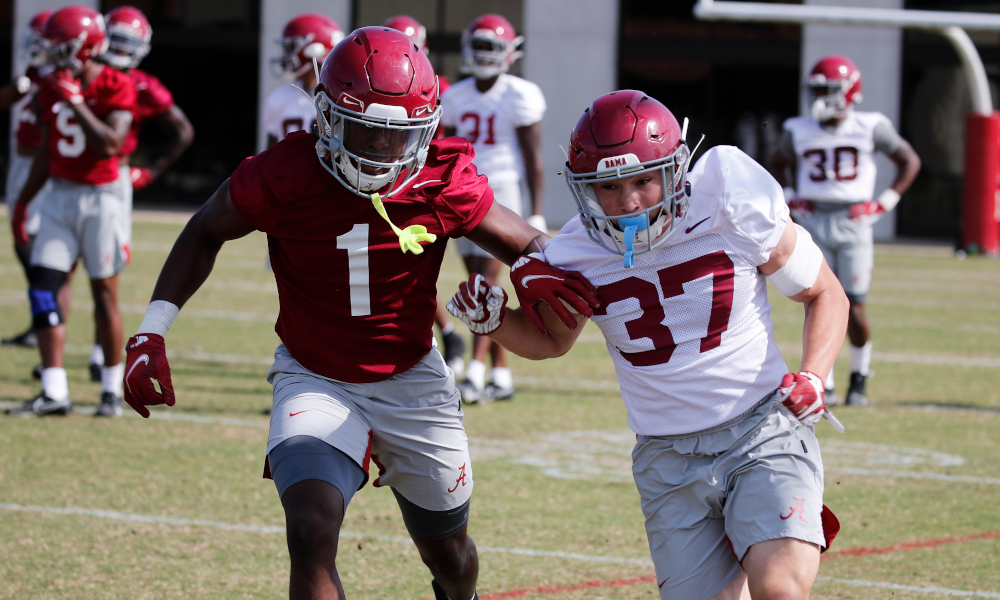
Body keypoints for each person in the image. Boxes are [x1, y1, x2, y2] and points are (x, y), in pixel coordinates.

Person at [121, 27, 597, 600]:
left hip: (413, 382)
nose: (377, 151)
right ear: (324, 116)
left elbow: (529, 246)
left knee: (451, 556)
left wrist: (547, 283)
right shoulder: (284, 173)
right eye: (363, 130)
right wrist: (152, 330)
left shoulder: (439, 179)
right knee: (310, 528)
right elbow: (205, 229)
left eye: (395, 136)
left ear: (424, 130)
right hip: (313, 375)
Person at [447, 90, 848, 600]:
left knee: (780, 588)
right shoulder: (574, 252)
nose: (630, 201)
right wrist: (495, 321)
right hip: (667, 458)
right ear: (583, 188)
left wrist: (815, 373)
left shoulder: (727, 199)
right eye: (609, 187)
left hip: (761, 428)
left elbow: (825, 292)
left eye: (642, 181)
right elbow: (552, 343)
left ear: (675, 169)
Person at [7, 5, 137, 417]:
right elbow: (46, 151)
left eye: (59, 47)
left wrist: (78, 102)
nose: (51, 55)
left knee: (104, 294)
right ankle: (54, 389)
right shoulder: (50, 87)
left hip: (101, 197)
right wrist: (24, 201)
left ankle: (111, 390)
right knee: (43, 288)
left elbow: (110, 144)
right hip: (59, 196)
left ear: (84, 49)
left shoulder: (117, 83)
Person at [773, 55, 920, 406]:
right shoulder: (798, 129)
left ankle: (859, 375)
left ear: (850, 91)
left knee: (854, 307)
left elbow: (909, 160)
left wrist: (883, 202)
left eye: (828, 90)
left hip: (854, 221)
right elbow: (778, 165)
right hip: (813, 220)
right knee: (817, 301)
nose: (821, 98)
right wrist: (792, 197)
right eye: (817, 90)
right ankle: (824, 380)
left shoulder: (870, 126)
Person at [69, 5, 194, 387]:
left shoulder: (139, 84)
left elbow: (182, 131)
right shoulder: (84, 76)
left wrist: (150, 172)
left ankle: (98, 352)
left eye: (128, 42)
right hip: (71, 179)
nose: (121, 48)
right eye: (117, 39)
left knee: (105, 272)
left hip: (110, 180)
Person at [441, 14, 547, 403]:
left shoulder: (519, 93)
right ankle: (500, 374)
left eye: (492, 47)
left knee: (486, 284)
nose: (484, 55)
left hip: (501, 191)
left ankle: (475, 370)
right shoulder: (454, 96)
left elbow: (532, 157)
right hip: (463, 191)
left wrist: (535, 211)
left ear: (509, 53)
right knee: (479, 283)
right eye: (479, 46)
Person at [383, 13, 467, 375]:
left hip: (424, 184)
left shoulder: (444, 89)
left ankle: (439, 339)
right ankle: (445, 334)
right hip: (379, 179)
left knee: (413, 272)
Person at [2, 10, 54, 349]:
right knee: (24, 244)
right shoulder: (36, 73)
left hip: (41, 164)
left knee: (35, 249)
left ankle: (44, 319)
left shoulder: (62, 79)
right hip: (22, 163)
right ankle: (40, 321)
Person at [263, 13, 343, 149]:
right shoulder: (278, 98)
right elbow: (269, 157)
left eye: (290, 48)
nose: (286, 56)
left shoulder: (341, 97)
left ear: (314, 50)